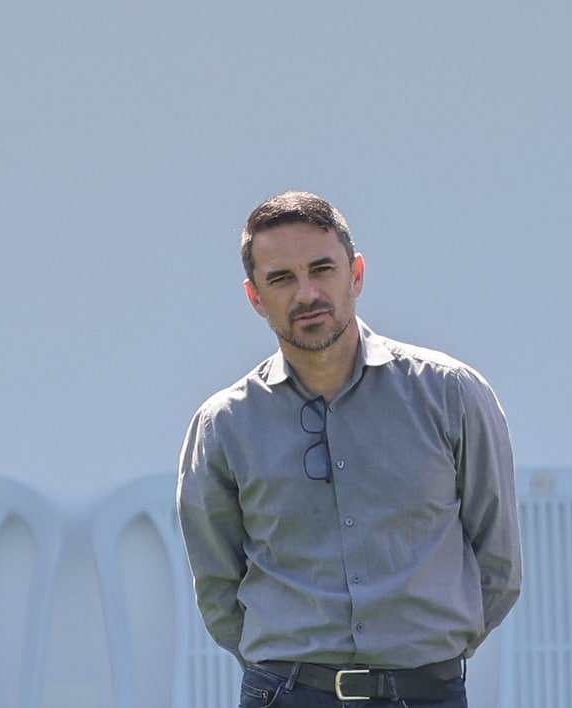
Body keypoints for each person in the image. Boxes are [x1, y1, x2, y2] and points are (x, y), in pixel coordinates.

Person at [177, 190, 522, 707]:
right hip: (286, 695)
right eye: (281, 278)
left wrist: (428, 656)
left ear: (356, 274)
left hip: (425, 693)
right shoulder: (224, 424)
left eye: (322, 269)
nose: (307, 293)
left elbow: (499, 565)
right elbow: (217, 587)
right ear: (255, 298)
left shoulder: (450, 394)